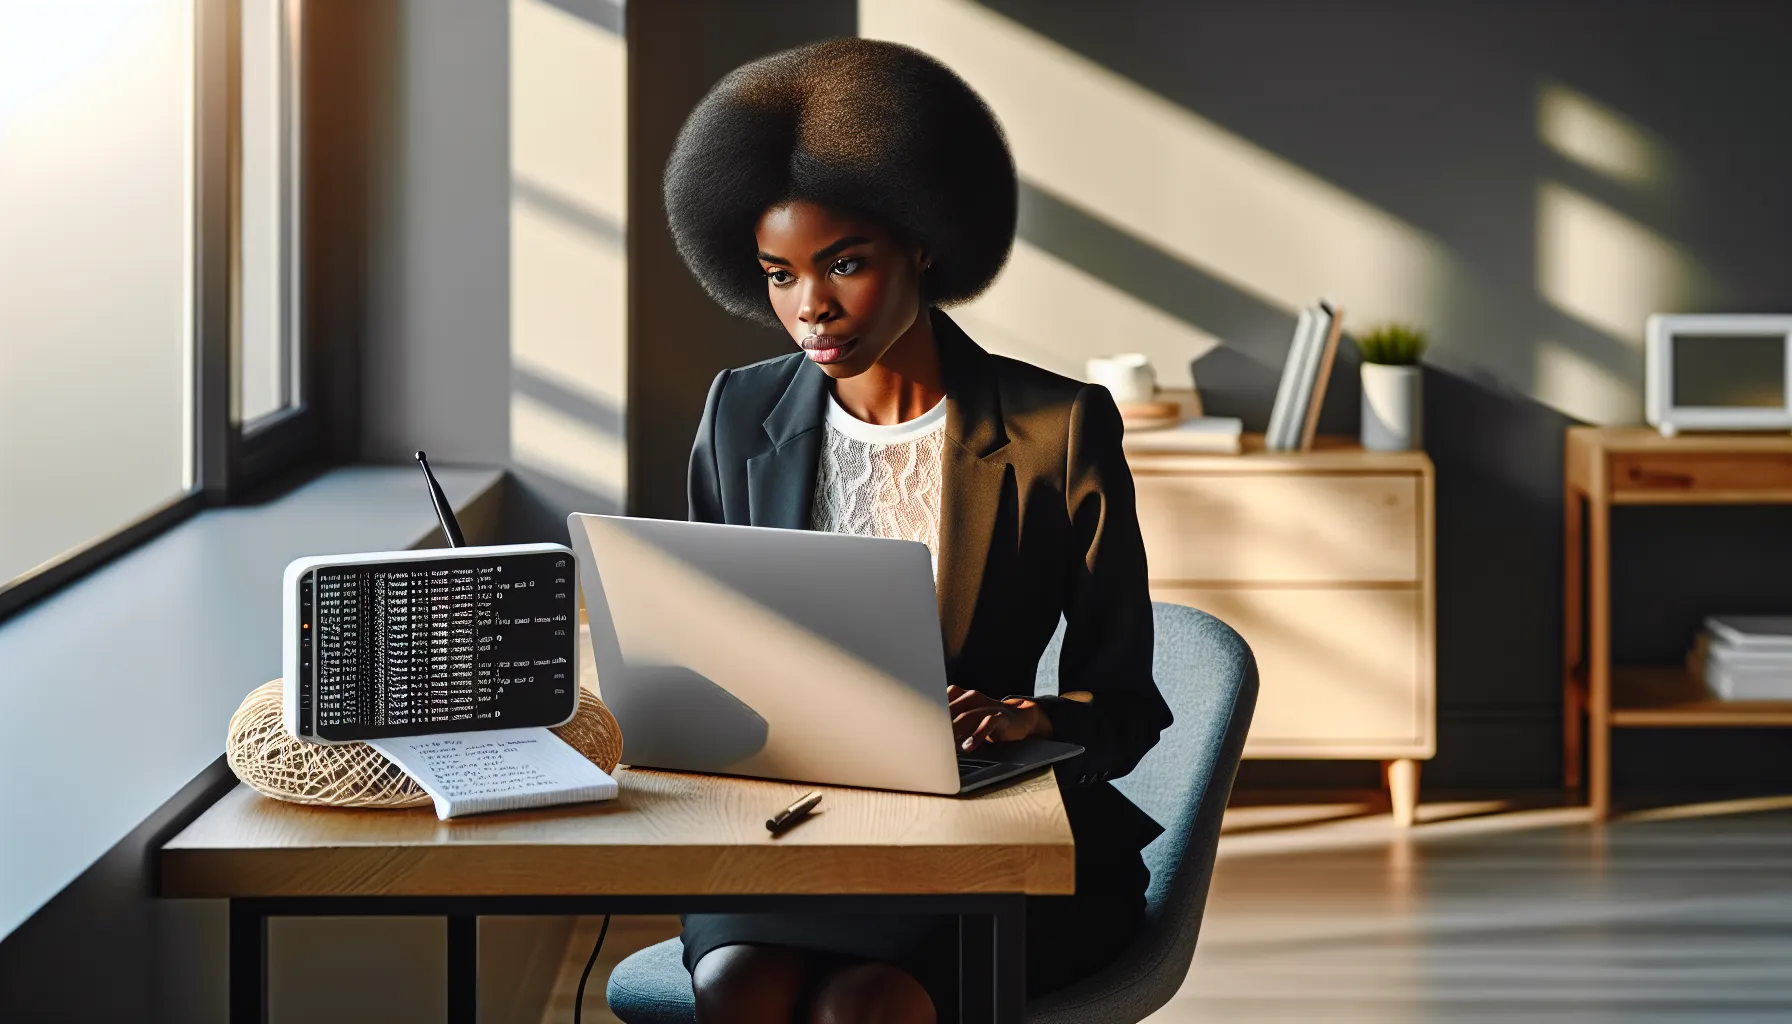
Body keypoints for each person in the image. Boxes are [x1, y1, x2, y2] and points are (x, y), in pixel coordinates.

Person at [663, 37, 1173, 1024]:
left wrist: (1038, 720)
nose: (809, 306)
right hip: (794, 832)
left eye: (844, 264)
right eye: (778, 273)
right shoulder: (737, 412)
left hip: (980, 837)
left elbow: (1125, 701)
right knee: (739, 986)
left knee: (868, 1005)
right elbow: (701, 648)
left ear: (924, 244)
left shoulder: (1054, 430)